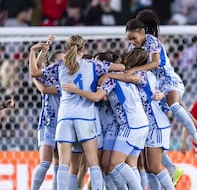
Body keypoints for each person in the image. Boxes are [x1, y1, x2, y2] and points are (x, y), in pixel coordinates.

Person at [29, 35, 125, 190]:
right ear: (84, 49)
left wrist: (32, 51)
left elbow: (35, 73)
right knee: (93, 162)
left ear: (67, 48)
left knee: (64, 165)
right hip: (85, 118)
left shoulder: (59, 65)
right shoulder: (93, 64)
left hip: (64, 118)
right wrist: (106, 73)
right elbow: (120, 68)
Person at [62, 49, 150, 189]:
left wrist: (76, 90)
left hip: (130, 125)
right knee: (125, 164)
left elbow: (97, 97)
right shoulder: (126, 75)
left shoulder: (110, 79)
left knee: (115, 162)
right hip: (140, 123)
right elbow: (106, 97)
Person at [125, 9, 197, 155]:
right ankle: (169, 166)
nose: (132, 42)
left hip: (168, 79)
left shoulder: (152, 41)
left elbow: (156, 63)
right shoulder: (133, 47)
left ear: (142, 31)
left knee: (174, 106)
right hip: (154, 87)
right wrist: (190, 116)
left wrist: (134, 70)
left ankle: (195, 137)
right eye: (130, 39)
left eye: (134, 38)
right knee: (153, 126)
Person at [102, 48, 175, 189]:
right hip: (145, 123)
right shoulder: (140, 76)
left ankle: (170, 173)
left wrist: (110, 74)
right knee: (142, 166)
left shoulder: (141, 74)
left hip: (154, 124)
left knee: (152, 166)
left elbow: (133, 78)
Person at [31, 41, 65, 189]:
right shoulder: (49, 75)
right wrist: (41, 51)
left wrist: (35, 80)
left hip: (65, 123)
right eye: (59, 61)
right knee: (45, 162)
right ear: (51, 63)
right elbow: (37, 69)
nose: (62, 64)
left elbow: (44, 89)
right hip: (48, 122)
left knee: (59, 161)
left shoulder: (67, 80)